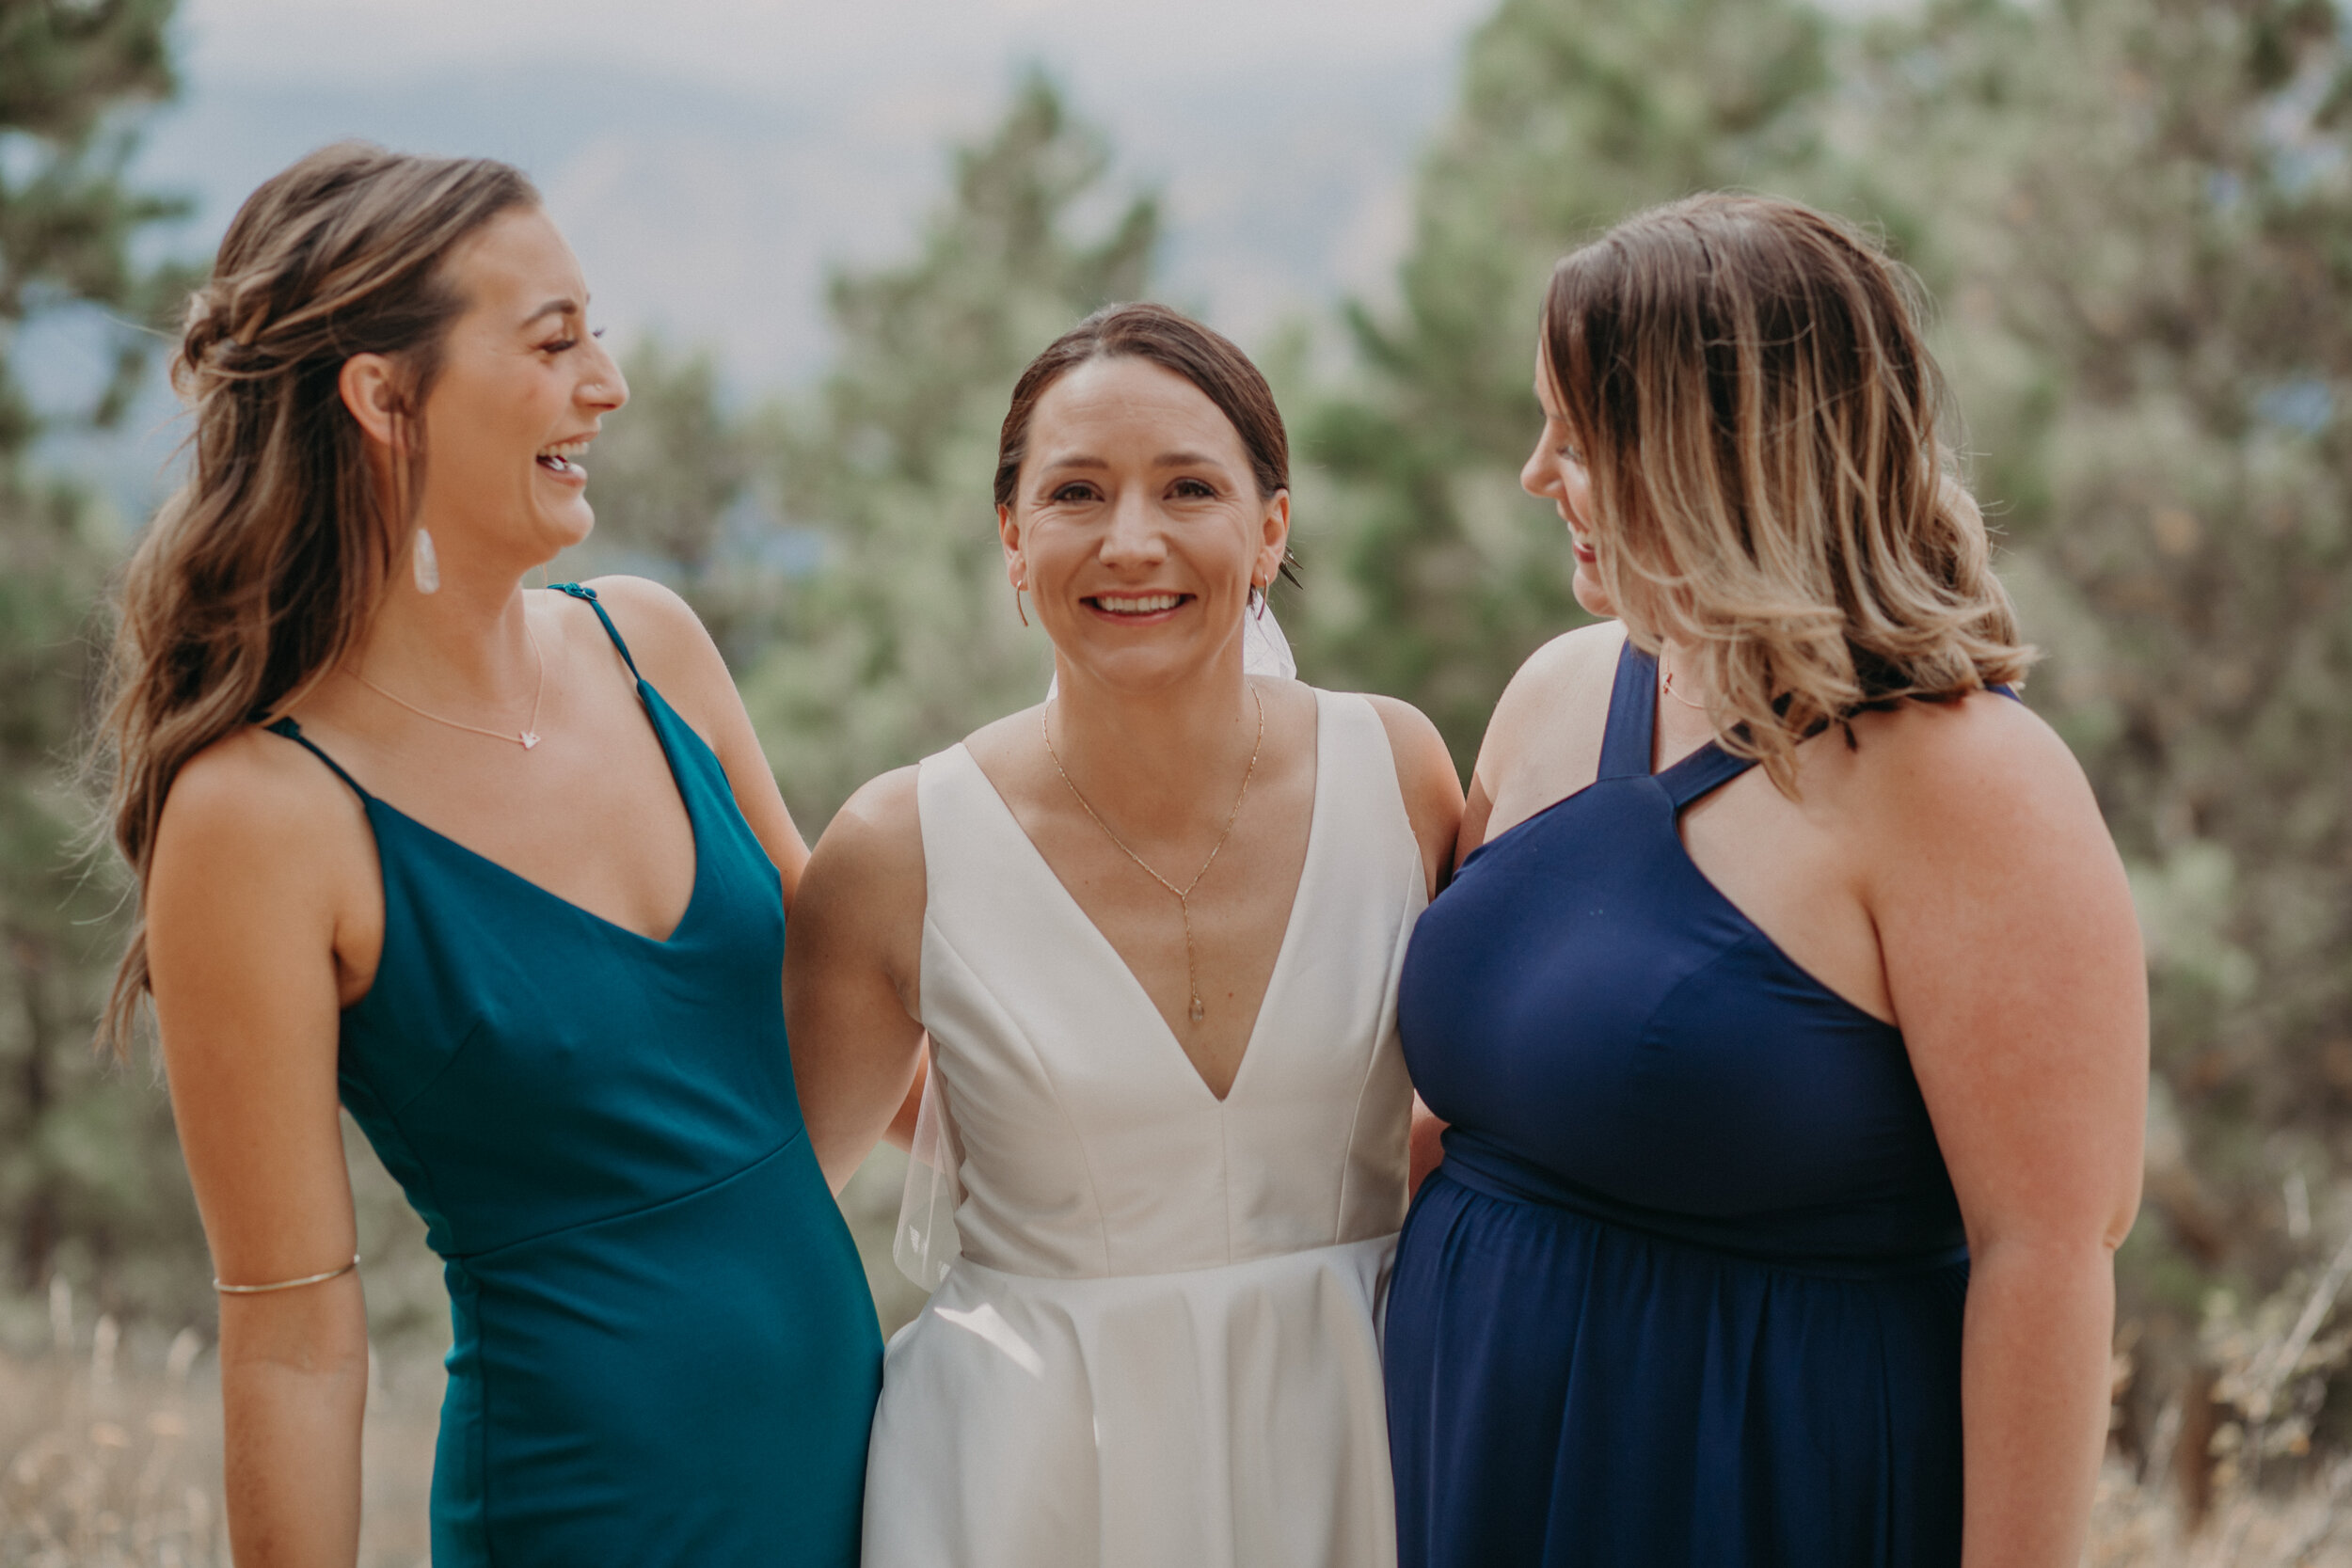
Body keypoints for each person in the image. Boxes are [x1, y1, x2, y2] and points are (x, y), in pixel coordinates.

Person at [97, 144, 880, 1567]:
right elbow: (291, 1337)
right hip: (589, 1512)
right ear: (384, 399)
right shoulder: (260, 815)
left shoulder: (655, 646)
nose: (609, 384)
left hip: (864, 1471)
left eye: (599, 332)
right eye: (554, 340)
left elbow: (872, 1017)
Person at [1382, 195, 2147, 1568]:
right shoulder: (1558, 691)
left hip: (1758, 1485)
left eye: (1581, 435)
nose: (1534, 470)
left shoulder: (1967, 782)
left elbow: (2049, 1253)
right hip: (1464, 1453)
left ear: (1720, 453)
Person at [785, 302, 1462, 1568]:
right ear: (1010, 539)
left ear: (1270, 531)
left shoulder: (1403, 773)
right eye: (1077, 493)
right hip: (1021, 1481)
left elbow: (1488, 1108)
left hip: (1363, 1441)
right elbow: (766, 1225)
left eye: (1189, 488)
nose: (1132, 541)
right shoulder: (894, 848)